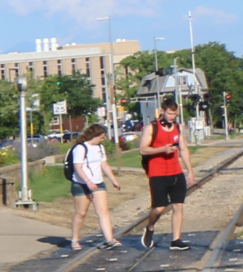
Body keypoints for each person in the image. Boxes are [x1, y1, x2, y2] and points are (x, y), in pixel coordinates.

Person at [133, 104, 194, 251]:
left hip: (176, 171)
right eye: (170, 114)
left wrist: (190, 171)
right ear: (163, 112)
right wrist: (162, 149)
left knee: (178, 205)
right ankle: (150, 227)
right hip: (158, 173)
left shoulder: (178, 127)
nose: (172, 117)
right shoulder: (151, 128)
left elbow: (184, 149)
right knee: (159, 207)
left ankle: (176, 240)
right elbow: (143, 149)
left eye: (175, 114)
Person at [63, 123, 120, 251]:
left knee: (103, 211)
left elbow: (104, 165)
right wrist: (88, 181)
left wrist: (113, 180)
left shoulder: (100, 148)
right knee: (81, 213)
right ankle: (75, 239)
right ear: (94, 136)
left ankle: (110, 239)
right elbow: (78, 167)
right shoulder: (80, 148)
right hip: (81, 184)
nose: (102, 140)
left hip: (98, 183)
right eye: (101, 137)